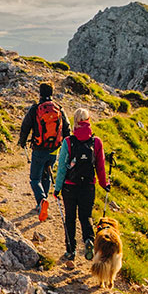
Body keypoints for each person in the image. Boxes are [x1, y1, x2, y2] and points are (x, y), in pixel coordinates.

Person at [53, 107, 110, 263]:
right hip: (88, 187)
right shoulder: (96, 142)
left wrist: (57, 189)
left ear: (75, 122)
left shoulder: (68, 142)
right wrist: (105, 184)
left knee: (70, 218)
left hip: (70, 187)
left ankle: (70, 251)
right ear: (88, 120)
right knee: (86, 217)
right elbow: (100, 166)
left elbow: (62, 167)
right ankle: (88, 240)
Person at [18, 82, 70, 221]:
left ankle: (41, 201)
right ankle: (44, 200)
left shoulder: (35, 109)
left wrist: (22, 141)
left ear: (40, 93)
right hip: (54, 149)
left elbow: (25, 126)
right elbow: (67, 128)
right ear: (52, 93)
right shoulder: (59, 109)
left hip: (39, 148)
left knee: (35, 178)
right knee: (47, 175)